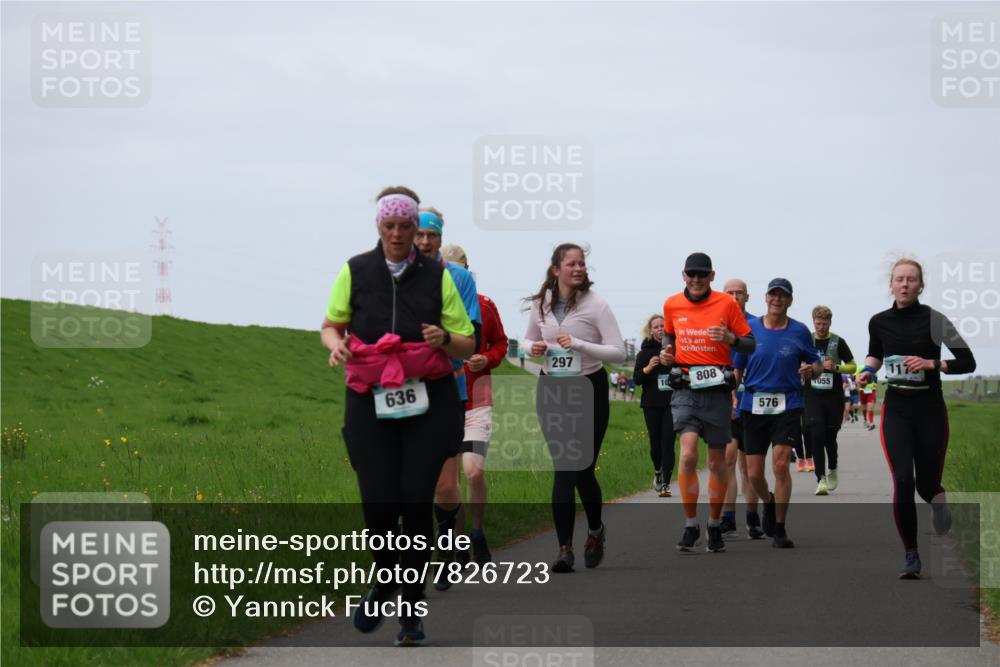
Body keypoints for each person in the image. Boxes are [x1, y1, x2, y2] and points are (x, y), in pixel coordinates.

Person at [322, 186, 475, 646]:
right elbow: (331, 324)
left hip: (428, 399)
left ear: (416, 230)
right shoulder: (356, 270)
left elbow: (466, 342)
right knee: (378, 502)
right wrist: (337, 346)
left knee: (413, 501)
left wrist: (443, 340)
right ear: (378, 227)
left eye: (405, 227)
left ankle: (409, 611)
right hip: (370, 398)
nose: (396, 234)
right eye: (388, 226)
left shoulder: (438, 276)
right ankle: (385, 579)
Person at [858, 258, 975, 579]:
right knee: (903, 482)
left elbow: (968, 361)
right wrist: (867, 371)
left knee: (926, 486)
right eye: (900, 279)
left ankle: (939, 502)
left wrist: (932, 364)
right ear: (891, 284)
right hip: (896, 410)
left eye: (911, 279)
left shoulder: (935, 320)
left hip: (930, 412)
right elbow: (876, 354)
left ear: (921, 285)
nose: (905, 284)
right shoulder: (878, 322)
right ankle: (911, 553)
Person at [524, 243, 626, 572]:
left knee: (583, 471)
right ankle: (564, 549)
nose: (579, 268)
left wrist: (580, 344)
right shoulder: (542, 304)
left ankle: (595, 530)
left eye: (582, 264)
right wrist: (534, 347)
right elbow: (525, 341)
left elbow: (619, 352)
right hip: (552, 388)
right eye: (572, 264)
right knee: (564, 468)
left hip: (588, 389)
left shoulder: (597, 305)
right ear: (556, 270)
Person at [659, 253, 755, 553]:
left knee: (716, 462)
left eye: (702, 275)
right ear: (683, 275)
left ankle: (714, 523)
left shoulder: (726, 304)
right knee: (687, 456)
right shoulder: (672, 304)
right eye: (691, 274)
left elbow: (750, 343)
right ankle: (691, 525)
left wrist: (730, 338)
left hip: (716, 391)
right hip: (685, 389)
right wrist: (666, 354)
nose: (696, 280)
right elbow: (668, 339)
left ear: (712, 276)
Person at [414, 208, 483, 586]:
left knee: (443, 482)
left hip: (447, 387)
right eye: (419, 235)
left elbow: (471, 335)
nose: (424, 242)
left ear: (440, 238)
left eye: (431, 235)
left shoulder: (459, 278)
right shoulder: (393, 277)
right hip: (402, 391)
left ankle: (448, 546)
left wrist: (441, 338)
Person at [733, 278, 822, 549]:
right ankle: (769, 503)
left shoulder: (799, 331)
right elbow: (737, 368)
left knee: (781, 465)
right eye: (773, 294)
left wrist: (812, 370)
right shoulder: (749, 329)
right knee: (754, 473)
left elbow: (816, 363)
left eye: (783, 296)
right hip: (753, 406)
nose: (777, 299)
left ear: (790, 301)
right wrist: (731, 396)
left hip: (788, 404)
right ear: (766, 298)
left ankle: (780, 528)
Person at [439, 244, 508, 565]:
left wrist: (487, 358)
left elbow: (501, 343)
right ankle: (453, 543)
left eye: (458, 269)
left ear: (467, 270)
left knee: (474, 472)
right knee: (446, 480)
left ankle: (476, 533)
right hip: (442, 402)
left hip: (477, 401)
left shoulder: (483, 305)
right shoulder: (430, 306)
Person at [719, 278, 760, 538]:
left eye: (739, 293)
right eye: (729, 293)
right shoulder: (715, 324)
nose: (735, 297)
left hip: (752, 403)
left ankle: (753, 517)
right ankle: (728, 516)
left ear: (747, 296)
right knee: (728, 460)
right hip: (725, 401)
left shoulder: (756, 325)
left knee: (748, 466)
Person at [805, 306, 857, 495]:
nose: (821, 327)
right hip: (812, 395)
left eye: (825, 324)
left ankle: (833, 467)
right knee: (816, 433)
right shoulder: (807, 340)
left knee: (830, 437)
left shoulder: (838, 341)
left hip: (833, 396)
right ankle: (820, 479)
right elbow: (796, 362)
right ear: (813, 322)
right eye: (818, 323)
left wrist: (836, 368)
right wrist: (805, 367)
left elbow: (853, 366)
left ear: (830, 322)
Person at [633, 314, 675, 497]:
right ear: (651, 330)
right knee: (655, 443)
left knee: (668, 442)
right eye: (656, 326)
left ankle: (666, 483)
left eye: (662, 326)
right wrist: (648, 368)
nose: (660, 329)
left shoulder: (674, 348)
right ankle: (658, 472)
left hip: (672, 403)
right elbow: (636, 380)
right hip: (651, 404)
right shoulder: (644, 353)